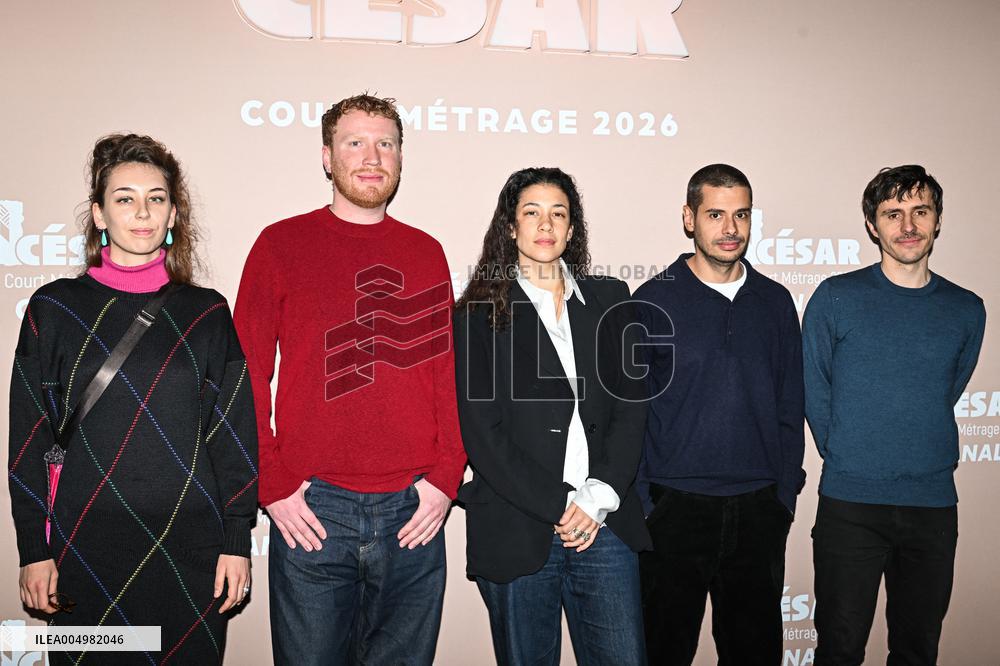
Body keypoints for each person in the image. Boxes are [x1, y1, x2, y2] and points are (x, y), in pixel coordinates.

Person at [7, 133, 258, 664]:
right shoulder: (53, 310)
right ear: (99, 214)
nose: (142, 211)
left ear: (173, 214)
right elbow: (30, 438)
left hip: (190, 551)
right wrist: (34, 550)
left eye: (157, 198)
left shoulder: (207, 313)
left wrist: (237, 540)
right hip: (82, 548)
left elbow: (232, 436)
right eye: (124, 198)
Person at [233, 93, 466, 665]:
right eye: (355, 142)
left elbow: (447, 376)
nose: (372, 156)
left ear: (400, 159)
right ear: (326, 156)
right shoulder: (279, 245)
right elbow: (243, 375)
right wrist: (273, 484)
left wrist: (444, 478)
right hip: (314, 509)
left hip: (413, 508)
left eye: (385, 143)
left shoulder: (425, 251)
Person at [453, 167, 651, 666]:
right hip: (519, 527)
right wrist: (563, 505)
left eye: (558, 213)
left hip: (605, 524)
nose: (546, 224)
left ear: (572, 228)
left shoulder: (611, 300)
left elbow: (632, 409)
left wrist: (596, 497)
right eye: (532, 212)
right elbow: (484, 435)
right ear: (511, 227)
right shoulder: (477, 312)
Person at [803, 165, 986, 666]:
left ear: (937, 220)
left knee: (917, 648)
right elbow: (815, 391)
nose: (908, 225)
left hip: (932, 505)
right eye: (893, 213)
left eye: (920, 211)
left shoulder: (967, 309)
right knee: (839, 648)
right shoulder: (836, 298)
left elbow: (947, 388)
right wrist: (846, 453)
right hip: (851, 503)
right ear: (872, 226)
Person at [634, 164, 805, 665]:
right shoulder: (652, 301)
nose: (730, 228)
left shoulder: (775, 303)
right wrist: (648, 502)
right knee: (663, 652)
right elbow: (631, 413)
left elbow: (790, 406)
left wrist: (783, 495)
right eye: (715, 214)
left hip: (758, 511)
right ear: (689, 219)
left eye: (741, 215)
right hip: (674, 510)